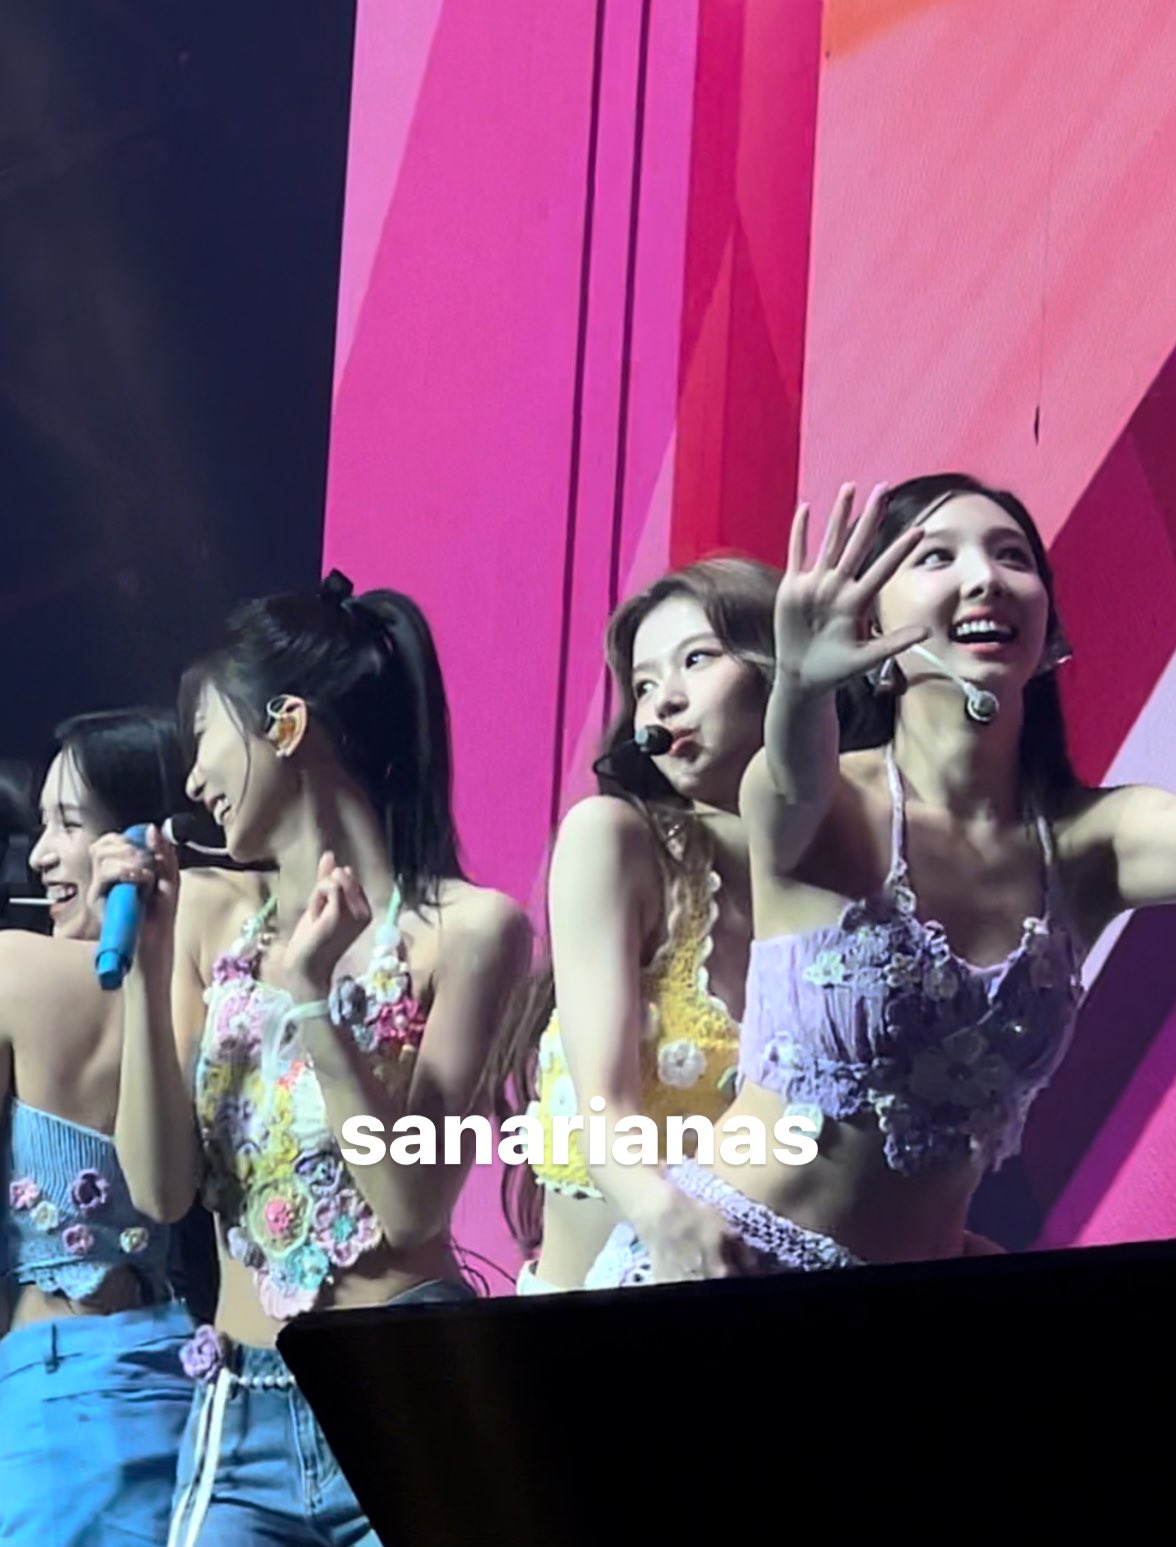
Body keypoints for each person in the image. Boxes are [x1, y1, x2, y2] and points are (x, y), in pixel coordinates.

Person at [587, 473, 1172, 1284]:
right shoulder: (819, 803)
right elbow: (793, 772)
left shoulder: (1091, 843)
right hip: (722, 1275)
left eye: (1012, 556)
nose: (985, 576)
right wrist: (802, 684)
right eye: (937, 556)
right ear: (871, 623)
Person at [98, 569, 532, 1546]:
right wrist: (148, 969)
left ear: (285, 725)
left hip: (410, 1395)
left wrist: (311, 997)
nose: (194, 779)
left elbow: (413, 1205)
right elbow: (160, 1190)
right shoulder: (209, 919)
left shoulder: (470, 930)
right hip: (242, 1409)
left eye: (204, 737)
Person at [496, 558, 780, 1292]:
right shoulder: (616, 839)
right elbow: (606, 1119)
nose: (665, 701)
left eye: (697, 659)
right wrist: (664, 1216)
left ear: (782, 667)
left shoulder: (842, 871)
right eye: (645, 684)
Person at [0, 708, 199, 1545]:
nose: (41, 853)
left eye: (69, 823)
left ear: (141, 839)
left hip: (52, 1393)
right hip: (186, 1381)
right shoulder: (206, 988)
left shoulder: (15, 967)